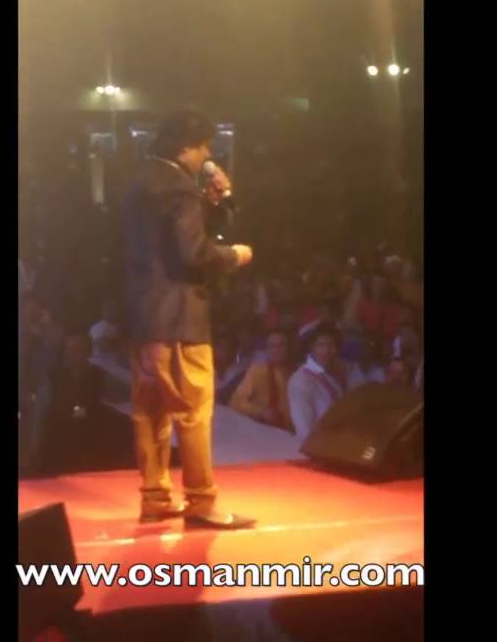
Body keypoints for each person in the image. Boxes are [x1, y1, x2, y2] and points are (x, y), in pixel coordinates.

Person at [122, 109, 256, 529]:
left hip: (143, 316)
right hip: (179, 318)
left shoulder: (138, 182)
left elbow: (164, 244)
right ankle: (200, 500)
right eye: (204, 147)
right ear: (185, 146)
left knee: (150, 412)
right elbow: (192, 254)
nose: (206, 156)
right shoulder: (180, 188)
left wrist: (209, 204)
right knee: (193, 411)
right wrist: (234, 256)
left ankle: (155, 496)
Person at [287, 324, 346, 447]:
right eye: (321, 345)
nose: (327, 351)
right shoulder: (301, 381)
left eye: (331, 345)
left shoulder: (331, 377)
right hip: (317, 449)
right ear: (312, 347)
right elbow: (304, 430)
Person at [228, 331, 293, 431]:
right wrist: (261, 412)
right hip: (263, 430)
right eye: (272, 346)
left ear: (289, 348)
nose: (276, 350)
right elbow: (236, 402)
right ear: (267, 350)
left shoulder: (296, 374)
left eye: (281, 345)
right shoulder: (258, 370)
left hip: (290, 432)